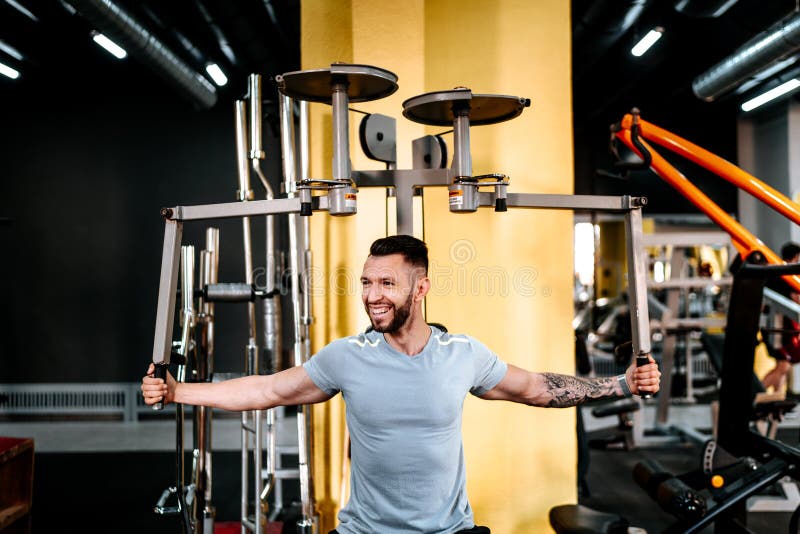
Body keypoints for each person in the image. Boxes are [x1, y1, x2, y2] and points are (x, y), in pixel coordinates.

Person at [142, 235, 660, 534]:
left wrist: (621, 384)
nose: (372, 295)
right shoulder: (347, 357)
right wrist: (177, 390)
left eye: (386, 283)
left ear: (422, 287)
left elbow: (537, 388)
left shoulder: (462, 354)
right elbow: (268, 391)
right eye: (367, 282)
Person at [762, 242, 800, 392]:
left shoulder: (776, 274)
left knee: (781, 365)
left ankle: (775, 403)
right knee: (784, 365)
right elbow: (797, 298)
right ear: (796, 257)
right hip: (776, 329)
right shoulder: (786, 277)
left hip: (772, 327)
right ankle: (752, 397)